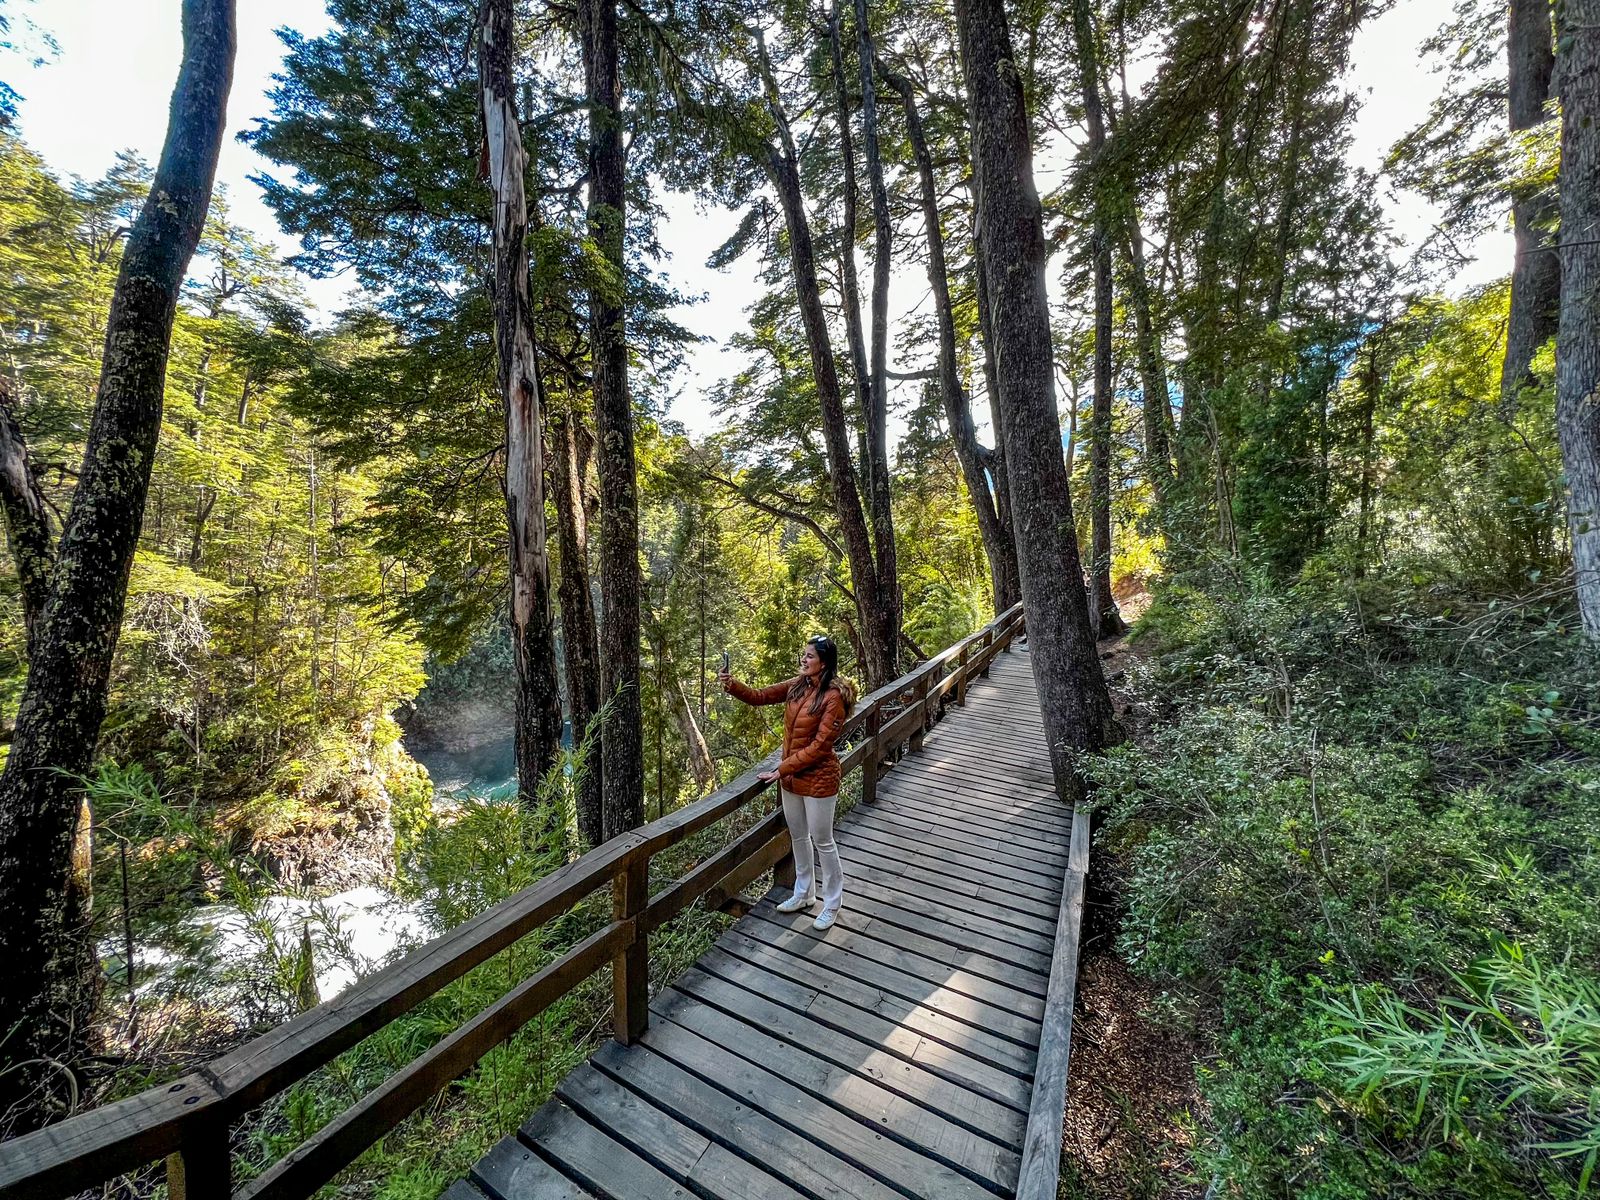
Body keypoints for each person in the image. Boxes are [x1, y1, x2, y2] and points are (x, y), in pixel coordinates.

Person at [718, 635, 856, 931]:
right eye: (803, 655)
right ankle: (804, 893)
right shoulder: (798, 685)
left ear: (824, 662)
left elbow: (820, 747)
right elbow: (760, 696)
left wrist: (781, 768)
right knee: (798, 837)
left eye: (809, 656)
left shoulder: (833, 698)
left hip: (818, 778)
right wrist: (732, 685)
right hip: (791, 776)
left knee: (823, 841)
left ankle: (832, 902)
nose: (803, 660)